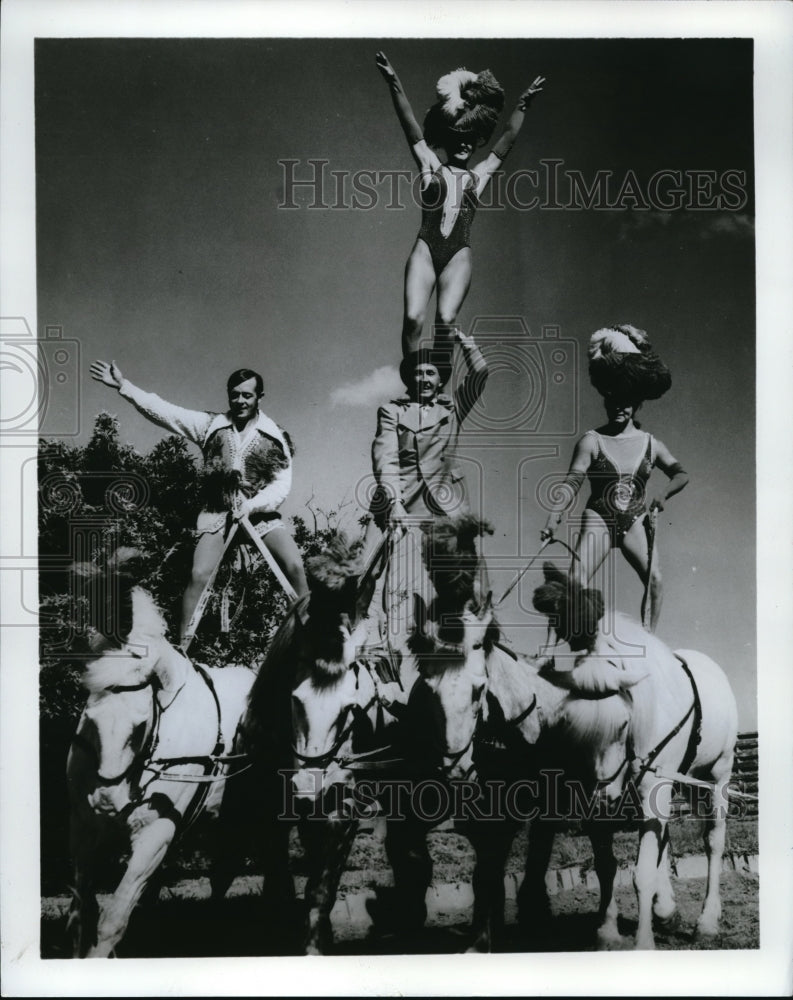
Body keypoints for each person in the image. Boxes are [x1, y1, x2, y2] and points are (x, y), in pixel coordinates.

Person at [89, 360, 309, 645]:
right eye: (235, 394)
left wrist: (252, 505)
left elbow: (282, 485)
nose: (240, 400)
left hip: (258, 513)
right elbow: (167, 413)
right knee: (199, 574)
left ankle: (312, 638)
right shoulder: (211, 425)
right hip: (218, 513)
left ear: (259, 398)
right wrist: (124, 386)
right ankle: (182, 650)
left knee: (294, 566)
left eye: (247, 395)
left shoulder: (274, 436)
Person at [375, 51, 545, 362]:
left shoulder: (478, 176)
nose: (465, 143)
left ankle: (439, 382)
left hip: (458, 254)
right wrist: (393, 81)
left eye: (471, 138)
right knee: (413, 318)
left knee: (445, 321)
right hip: (426, 249)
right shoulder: (429, 164)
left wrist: (522, 104)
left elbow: (505, 143)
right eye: (458, 137)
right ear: (447, 137)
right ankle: (413, 382)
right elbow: (409, 125)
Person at [540, 393, 688, 633]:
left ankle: (649, 643)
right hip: (599, 516)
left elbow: (681, 474)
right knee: (573, 585)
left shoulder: (651, 444)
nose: (619, 407)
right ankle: (549, 652)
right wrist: (553, 517)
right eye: (613, 401)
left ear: (637, 405)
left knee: (656, 581)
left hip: (636, 518)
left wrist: (663, 494)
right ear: (606, 402)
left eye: (626, 402)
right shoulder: (591, 441)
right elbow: (572, 481)